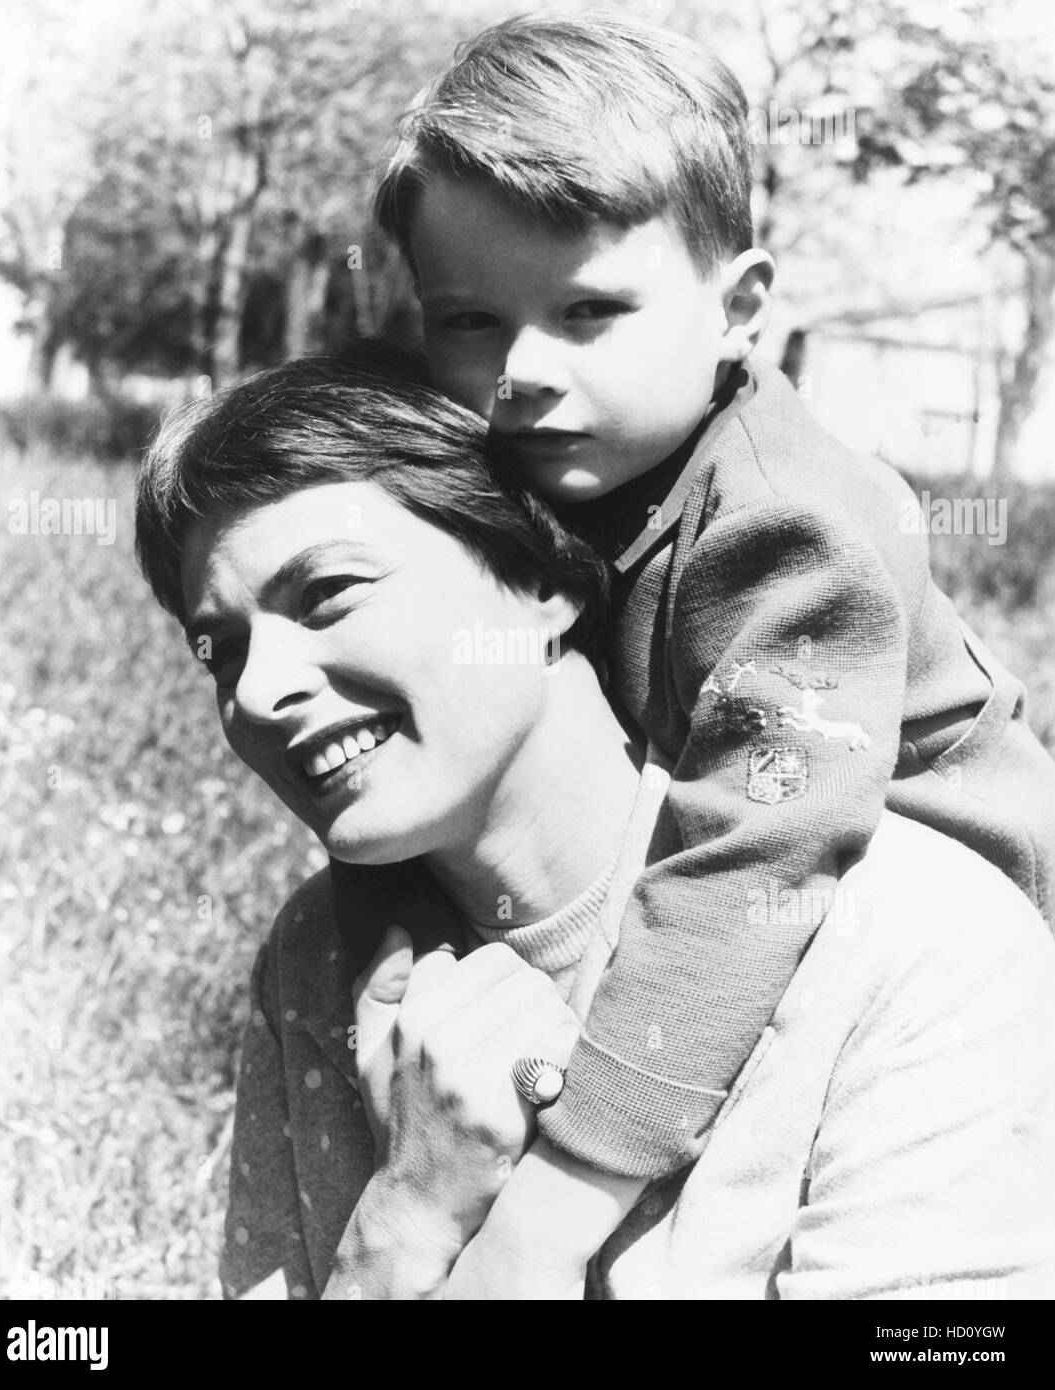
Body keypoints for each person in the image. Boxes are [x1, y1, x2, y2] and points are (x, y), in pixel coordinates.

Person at [369, 12, 1055, 1285]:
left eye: (589, 311)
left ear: (739, 310)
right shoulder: (564, 464)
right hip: (724, 908)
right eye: (469, 321)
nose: (522, 370)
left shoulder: (786, 529)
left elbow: (763, 853)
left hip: (906, 927)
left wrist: (555, 1205)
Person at [133, 353, 1055, 1299]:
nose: (256, 689)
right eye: (226, 650)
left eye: (327, 595)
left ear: (542, 581)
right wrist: (405, 1218)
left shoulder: (910, 941)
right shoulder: (320, 963)